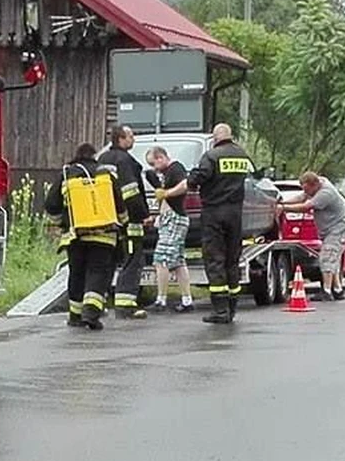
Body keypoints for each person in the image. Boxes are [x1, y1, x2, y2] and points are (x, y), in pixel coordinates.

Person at [45, 143, 129, 330]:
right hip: (104, 236)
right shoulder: (105, 174)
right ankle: (91, 313)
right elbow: (120, 204)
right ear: (94, 157)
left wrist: (62, 223)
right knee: (97, 272)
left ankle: (75, 316)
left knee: (77, 273)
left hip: (75, 235)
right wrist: (123, 225)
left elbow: (51, 204)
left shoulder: (66, 174)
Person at [187, 123, 251, 324]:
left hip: (214, 212)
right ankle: (231, 308)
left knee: (215, 259)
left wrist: (191, 178)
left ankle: (220, 311)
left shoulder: (212, 156)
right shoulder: (242, 155)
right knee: (232, 260)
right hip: (235, 213)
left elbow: (199, 178)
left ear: (215, 138)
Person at [98, 125, 149, 319]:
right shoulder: (125, 161)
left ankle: (98, 303)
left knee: (107, 262)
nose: (133, 139)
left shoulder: (102, 160)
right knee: (133, 260)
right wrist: (143, 215)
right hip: (129, 221)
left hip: (106, 220)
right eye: (131, 136)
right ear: (121, 139)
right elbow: (131, 192)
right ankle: (125, 304)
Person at [277, 171, 345, 301]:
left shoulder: (325, 193)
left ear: (314, 185)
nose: (306, 192)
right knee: (332, 259)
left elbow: (306, 206)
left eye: (307, 189)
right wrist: (282, 203)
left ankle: (326, 291)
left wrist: (284, 209)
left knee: (326, 258)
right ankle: (338, 290)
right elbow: (302, 197)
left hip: (339, 229)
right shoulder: (317, 185)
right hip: (331, 230)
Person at [144, 146, 193, 313]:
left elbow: (185, 185)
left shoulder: (176, 168)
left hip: (174, 219)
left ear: (161, 157)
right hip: (169, 219)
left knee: (161, 259)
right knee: (179, 261)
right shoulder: (165, 175)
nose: (154, 168)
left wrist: (167, 193)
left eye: (154, 163)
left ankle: (161, 300)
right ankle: (187, 300)